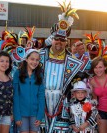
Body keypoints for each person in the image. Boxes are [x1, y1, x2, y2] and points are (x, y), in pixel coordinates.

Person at [39, 1, 86, 132]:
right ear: (51, 39)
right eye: (56, 38)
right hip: (41, 102)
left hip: (63, 103)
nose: (59, 42)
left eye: (62, 39)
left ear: (67, 42)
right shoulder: (39, 56)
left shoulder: (74, 62)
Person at [13, 49, 45, 133]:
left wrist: (40, 115)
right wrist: (17, 115)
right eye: (32, 59)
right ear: (26, 59)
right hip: (22, 113)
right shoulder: (18, 73)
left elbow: (41, 96)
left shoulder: (39, 75)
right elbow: (15, 96)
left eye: (37, 60)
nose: (34, 62)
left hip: (35, 113)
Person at [89, 57, 107, 133]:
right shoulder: (92, 81)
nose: (98, 70)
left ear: (105, 67)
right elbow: (94, 100)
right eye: (96, 67)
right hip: (101, 112)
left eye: (100, 67)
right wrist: (96, 113)